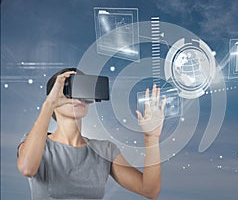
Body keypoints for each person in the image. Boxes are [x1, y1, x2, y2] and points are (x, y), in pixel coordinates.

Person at [17, 68, 166, 200]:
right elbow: (27, 168)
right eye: (70, 90)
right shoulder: (37, 144)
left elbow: (150, 191)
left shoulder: (104, 150)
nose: (78, 97)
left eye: (83, 89)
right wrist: (49, 104)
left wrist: (151, 138)